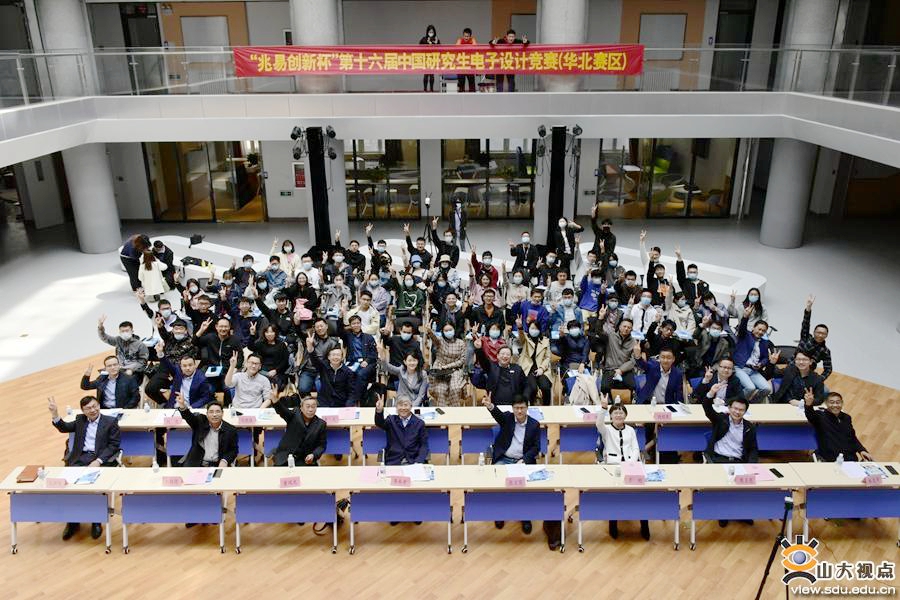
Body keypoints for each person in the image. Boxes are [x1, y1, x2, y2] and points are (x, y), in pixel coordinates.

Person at [49, 395, 120, 541]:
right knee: (70, 488)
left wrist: (98, 461)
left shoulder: (110, 422)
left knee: (94, 488)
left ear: (99, 406)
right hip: (79, 458)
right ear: (83, 410)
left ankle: (96, 520)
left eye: (95, 406)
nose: (93, 410)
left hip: (99, 459)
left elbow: (114, 445)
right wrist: (55, 414)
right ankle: (73, 522)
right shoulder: (80, 420)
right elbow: (64, 427)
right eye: (88, 408)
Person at [483, 393, 540, 534]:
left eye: (522, 408)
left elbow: (536, 448)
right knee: (498, 483)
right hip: (504, 458)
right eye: (516, 408)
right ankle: (500, 512)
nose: (519, 411)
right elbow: (498, 415)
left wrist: (524, 460)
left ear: (527, 407)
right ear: (513, 408)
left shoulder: (534, 425)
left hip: (522, 461)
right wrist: (490, 406)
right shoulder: (508, 418)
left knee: (524, 488)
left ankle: (525, 516)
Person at [595, 396, 649, 541]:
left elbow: (635, 448)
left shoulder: (630, 430)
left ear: (625, 415)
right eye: (615, 413)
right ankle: (613, 523)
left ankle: (644, 524)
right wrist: (603, 408)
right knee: (615, 495)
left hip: (631, 465)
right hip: (613, 466)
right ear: (611, 416)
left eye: (621, 413)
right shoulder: (606, 430)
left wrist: (631, 463)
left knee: (641, 494)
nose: (618, 415)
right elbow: (599, 423)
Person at [805, 391, 872, 463]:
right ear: (826, 403)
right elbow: (810, 415)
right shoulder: (820, 416)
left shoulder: (847, 418)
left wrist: (861, 450)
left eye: (838, 402)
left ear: (842, 403)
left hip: (849, 459)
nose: (835, 405)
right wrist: (808, 404)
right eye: (832, 402)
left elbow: (852, 437)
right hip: (829, 458)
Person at [175, 395, 237, 468]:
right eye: (211, 412)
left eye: (217, 411)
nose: (214, 415)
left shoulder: (230, 430)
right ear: (207, 414)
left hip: (217, 464)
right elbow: (189, 417)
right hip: (197, 462)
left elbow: (233, 450)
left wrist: (224, 460)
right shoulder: (200, 422)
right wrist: (182, 406)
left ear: (222, 413)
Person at [733, 307, 779, 402]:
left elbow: (765, 358)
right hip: (740, 367)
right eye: (759, 329)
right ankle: (736, 403)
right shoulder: (745, 335)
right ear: (754, 328)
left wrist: (761, 364)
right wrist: (745, 317)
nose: (761, 332)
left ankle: (751, 403)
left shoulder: (764, 343)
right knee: (750, 388)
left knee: (767, 389)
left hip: (753, 370)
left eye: (763, 331)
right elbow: (742, 327)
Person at [270, 392, 327, 466]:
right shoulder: (295, 414)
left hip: (305, 459)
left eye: (313, 407)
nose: (310, 409)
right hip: (286, 457)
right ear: (301, 408)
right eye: (308, 406)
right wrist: (275, 401)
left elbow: (321, 445)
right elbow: (283, 411)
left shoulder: (321, 424)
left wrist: (313, 455)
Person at [702, 393, 758, 464]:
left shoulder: (749, 427)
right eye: (735, 408)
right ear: (729, 408)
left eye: (741, 410)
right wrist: (711, 393)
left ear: (745, 412)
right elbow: (708, 409)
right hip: (717, 459)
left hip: (738, 461)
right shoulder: (721, 419)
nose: (737, 412)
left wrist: (751, 465)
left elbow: (753, 449)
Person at [374, 394, 429, 465]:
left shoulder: (419, 423)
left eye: (406, 405)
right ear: (396, 407)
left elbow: (424, 445)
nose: (403, 408)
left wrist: (418, 461)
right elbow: (379, 423)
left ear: (411, 406)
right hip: (394, 461)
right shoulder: (391, 420)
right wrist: (379, 410)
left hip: (413, 461)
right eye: (400, 405)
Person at [424, 316, 467, 407]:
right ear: (442, 332)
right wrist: (429, 331)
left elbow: (462, 360)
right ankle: (443, 414)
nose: (448, 332)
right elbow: (434, 338)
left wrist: (448, 366)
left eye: (450, 330)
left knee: (455, 389)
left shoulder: (461, 343)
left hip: (455, 370)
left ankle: (454, 414)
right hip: (440, 370)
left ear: (454, 330)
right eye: (446, 330)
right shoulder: (440, 341)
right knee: (440, 389)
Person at [337, 314, 378, 406]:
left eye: (358, 323)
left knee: (360, 374)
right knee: (344, 373)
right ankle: (347, 399)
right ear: (350, 325)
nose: (356, 325)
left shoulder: (368, 337)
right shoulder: (348, 336)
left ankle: (354, 399)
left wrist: (367, 361)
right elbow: (339, 331)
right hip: (352, 362)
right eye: (353, 323)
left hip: (367, 362)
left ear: (361, 324)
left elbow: (374, 353)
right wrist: (340, 317)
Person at [306, 333, 355, 407]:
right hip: (324, 401)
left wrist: (348, 405)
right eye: (333, 355)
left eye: (338, 355)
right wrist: (310, 349)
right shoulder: (323, 366)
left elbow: (351, 392)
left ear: (342, 357)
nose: (335, 357)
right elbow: (315, 360)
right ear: (328, 357)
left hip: (340, 402)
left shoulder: (348, 372)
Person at [474, 338, 527, 405]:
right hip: (495, 404)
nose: (505, 356)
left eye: (508, 354)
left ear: (511, 357)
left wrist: (523, 400)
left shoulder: (517, 369)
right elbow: (483, 360)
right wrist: (479, 349)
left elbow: (526, 385)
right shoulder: (491, 367)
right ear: (497, 356)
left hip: (514, 404)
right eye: (502, 354)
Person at [377, 340, 428, 407]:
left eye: (414, 360)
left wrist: (412, 407)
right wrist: (382, 356)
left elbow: (421, 396)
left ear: (417, 361)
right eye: (409, 360)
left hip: (414, 404)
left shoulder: (423, 374)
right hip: (401, 404)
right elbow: (388, 367)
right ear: (405, 362)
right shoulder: (401, 370)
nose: (412, 363)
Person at [595, 318, 637, 396]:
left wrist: (621, 370)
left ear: (631, 329)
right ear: (620, 327)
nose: (626, 329)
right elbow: (599, 331)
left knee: (632, 386)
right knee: (604, 387)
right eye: (624, 326)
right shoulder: (611, 336)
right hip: (610, 369)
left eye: (629, 327)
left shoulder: (634, 342)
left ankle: (625, 401)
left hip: (625, 370)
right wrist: (600, 319)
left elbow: (633, 360)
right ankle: (609, 401)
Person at [796, 294, 833, 383]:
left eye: (823, 334)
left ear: (826, 335)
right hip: (792, 367)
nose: (820, 335)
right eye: (818, 332)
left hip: (805, 374)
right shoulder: (806, 338)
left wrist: (820, 379)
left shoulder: (825, 351)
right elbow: (805, 323)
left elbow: (828, 368)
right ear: (814, 332)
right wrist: (808, 308)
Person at [517, 321, 553, 405]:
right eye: (532, 328)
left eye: (536, 328)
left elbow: (547, 357)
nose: (534, 330)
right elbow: (521, 337)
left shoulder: (545, 341)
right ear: (528, 329)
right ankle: (532, 406)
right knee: (532, 388)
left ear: (539, 330)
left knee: (545, 387)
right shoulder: (525, 338)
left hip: (542, 369)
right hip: (528, 369)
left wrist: (542, 368)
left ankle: (547, 407)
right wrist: (520, 328)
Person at [250, 325, 291, 389]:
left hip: (277, 371)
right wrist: (252, 334)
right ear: (264, 333)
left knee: (276, 386)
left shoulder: (281, 345)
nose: (269, 334)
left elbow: (285, 361)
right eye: (267, 332)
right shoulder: (261, 343)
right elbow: (251, 347)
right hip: (262, 370)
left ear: (275, 333)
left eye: (272, 332)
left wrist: (276, 370)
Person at [419, 24, 440, 91]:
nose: (431, 33)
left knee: (431, 75)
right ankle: (425, 89)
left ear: (434, 32)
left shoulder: (436, 39)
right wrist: (427, 43)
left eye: (432, 32)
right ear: (427, 32)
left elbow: (440, 48)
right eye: (430, 32)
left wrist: (436, 44)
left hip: (433, 58)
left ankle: (431, 89)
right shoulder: (424, 39)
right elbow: (419, 46)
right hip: (426, 58)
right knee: (426, 74)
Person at [455, 28, 477, 92]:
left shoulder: (472, 40)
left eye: (468, 36)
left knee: (471, 83)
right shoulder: (460, 40)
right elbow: (455, 47)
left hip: (470, 65)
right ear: (463, 35)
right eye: (465, 36)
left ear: (470, 36)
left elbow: (475, 47)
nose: (466, 38)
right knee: (461, 84)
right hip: (461, 65)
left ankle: (472, 95)